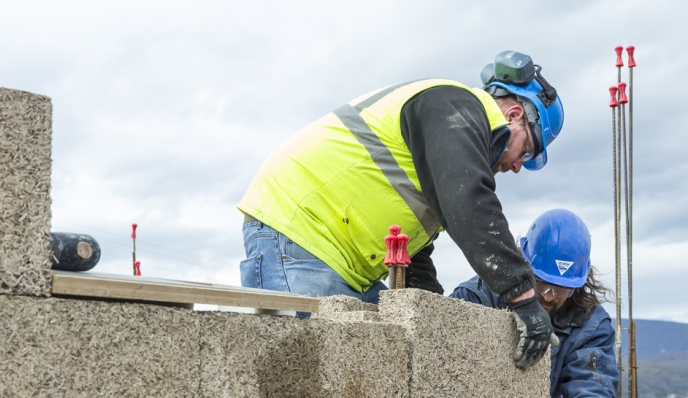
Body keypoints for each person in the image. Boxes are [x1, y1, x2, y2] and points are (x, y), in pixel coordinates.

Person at [237, 50, 564, 368]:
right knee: (321, 386)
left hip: (330, 255)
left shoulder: (450, 137)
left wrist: (432, 311)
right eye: (526, 152)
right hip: (298, 234)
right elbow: (471, 204)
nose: (519, 167)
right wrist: (522, 296)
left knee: (379, 371)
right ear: (515, 116)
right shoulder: (455, 106)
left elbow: (412, 250)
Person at [450, 209, 619, 398]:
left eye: (561, 287)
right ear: (522, 263)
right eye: (540, 282)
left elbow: (594, 386)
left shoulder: (590, 324)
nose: (549, 296)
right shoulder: (478, 295)